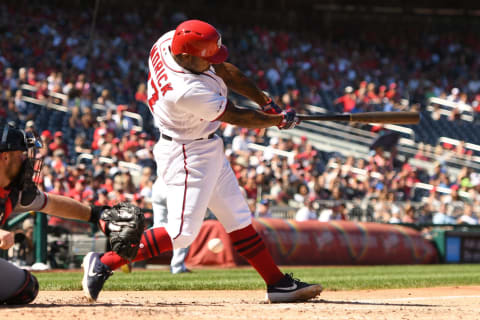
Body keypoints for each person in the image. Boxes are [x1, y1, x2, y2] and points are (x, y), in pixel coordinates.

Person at [82, 19, 322, 303]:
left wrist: (265, 102)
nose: (212, 63)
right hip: (186, 153)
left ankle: (277, 283)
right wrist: (276, 121)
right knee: (182, 233)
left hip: (205, 146)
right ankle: (104, 262)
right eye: (205, 57)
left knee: (238, 218)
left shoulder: (170, 40)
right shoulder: (185, 90)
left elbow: (223, 69)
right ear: (185, 56)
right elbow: (236, 116)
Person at [0, 124, 125, 305]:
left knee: (27, 288)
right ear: (5, 156)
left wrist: (95, 214)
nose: (25, 160)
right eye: (21, 154)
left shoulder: (13, 191)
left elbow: (52, 204)